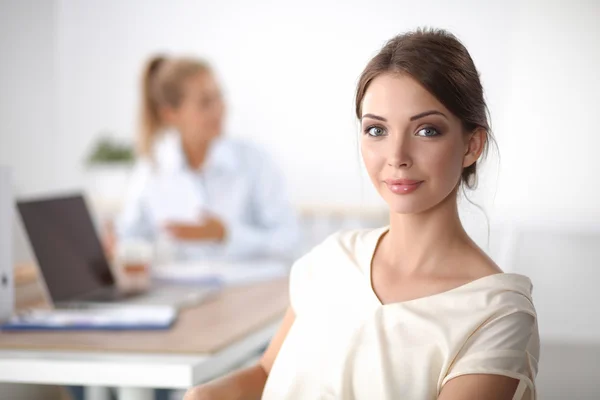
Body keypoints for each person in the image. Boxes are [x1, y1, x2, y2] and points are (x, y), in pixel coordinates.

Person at [184, 28, 539, 400]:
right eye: (376, 130)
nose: (397, 155)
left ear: (472, 145)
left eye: (426, 130)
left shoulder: (497, 314)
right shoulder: (331, 260)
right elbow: (266, 373)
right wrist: (204, 396)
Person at [114, 55, 299, 262]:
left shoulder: (254, 161)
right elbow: (129, 239)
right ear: (170, 114)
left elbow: (290, 242)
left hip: (250, 289)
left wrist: (225, 235)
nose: (219, 108)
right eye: (205, 102)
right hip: (180, 290)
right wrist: (118, 247)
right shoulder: (151, 169)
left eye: (219, 97)